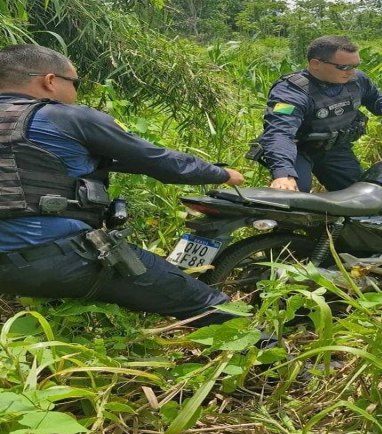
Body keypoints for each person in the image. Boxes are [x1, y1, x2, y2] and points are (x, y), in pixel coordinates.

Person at [0, 44, 244, 327]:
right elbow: (158, 161)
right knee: (201, 302)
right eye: (75, 82)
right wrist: (221, 174)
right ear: (50, 80)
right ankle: (268, 351)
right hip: (58, 260)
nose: (76, 92)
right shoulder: (67, 117)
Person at [252, 35, 382, 193]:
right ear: (315, 64)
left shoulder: (357, 80)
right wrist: (283, 173)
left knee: (361, 196)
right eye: (344, 67)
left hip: (334, 148)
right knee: (292, 196)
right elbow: (280, 132)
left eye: (355, 66)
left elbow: (375, 98)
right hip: (297, 149)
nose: (351, 72)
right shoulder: (290, 93)